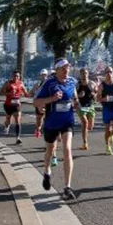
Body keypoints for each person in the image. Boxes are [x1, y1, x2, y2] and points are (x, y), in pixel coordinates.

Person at [34, 58, 80, 201]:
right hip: (51, 123)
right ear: (57, 70)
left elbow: (74, 98)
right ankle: (47, 172)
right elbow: (36, 101)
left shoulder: (72, 82)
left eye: (68, 68)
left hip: (67, 121)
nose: (67, 71)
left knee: (67, 149)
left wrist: (77, 104)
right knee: (49, 150)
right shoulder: (49, 83)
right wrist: (52, 99)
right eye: (64, 69)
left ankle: (67, 187)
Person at [0, 70, 28, 144]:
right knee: (8, 119)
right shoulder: (8, 83)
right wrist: (8, 93)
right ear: (12, 76)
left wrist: (28, 94)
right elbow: (1, 91)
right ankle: (7, 126)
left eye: (17, 76)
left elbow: (26, 93)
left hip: (17, 104)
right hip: (8, 104)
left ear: (19, 77)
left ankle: (18, 137)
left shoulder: (21, 84)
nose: (16, 77)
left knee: (17, 120)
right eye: (14, 76)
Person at [77, 68, 98, 150]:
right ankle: (85, 143)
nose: (84, 75)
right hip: (80, 106)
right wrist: (79, 95)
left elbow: (97, 93)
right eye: (82, 73)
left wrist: (94, 95)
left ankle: (85, 135)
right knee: (85, 123)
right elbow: (72, 95)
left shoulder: (92, 84)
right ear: (80, 75)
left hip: (90, 106)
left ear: (88, 74)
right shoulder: (77, 85)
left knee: (90, 127)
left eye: (85, 73)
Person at [31, 69, 50, 139]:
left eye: (45, 75)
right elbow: (31, 92)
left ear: (47, 75)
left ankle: (47, 133)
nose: (43, 76)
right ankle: (38, 129)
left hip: (47, 104)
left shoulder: (49, 84)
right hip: (39, 103)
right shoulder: (37, 84)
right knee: (39, 119)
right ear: (40, 76)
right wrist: (35, 93)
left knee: (47, 120)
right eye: (42, 75)